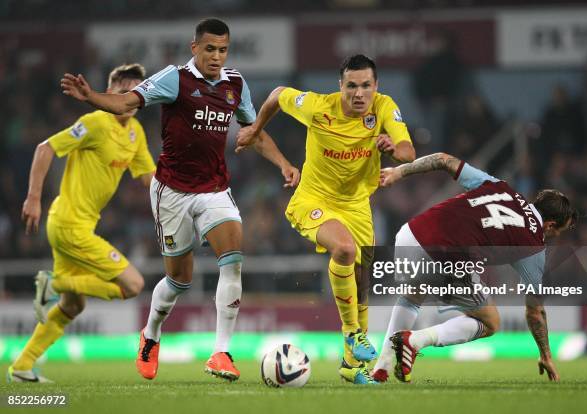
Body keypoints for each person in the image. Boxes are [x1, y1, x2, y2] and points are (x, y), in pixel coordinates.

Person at [60, 18, 299, 382]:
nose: (217, 57)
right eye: (210, 49)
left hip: (214, 190)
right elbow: (127, 101)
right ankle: (151, 334)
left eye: (222, 50)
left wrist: (283, 163)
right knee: (179, 280)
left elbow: (254, 133)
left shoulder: (235, 84)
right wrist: (91, 97)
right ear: (195, 48)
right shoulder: (175, 79)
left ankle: (221, 352)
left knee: (233, 259)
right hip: (172, 192)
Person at [237, 54, 416, 384]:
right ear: (340, 86)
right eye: (351, 86)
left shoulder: (384, 108)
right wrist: (255, 128)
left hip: (357, 205)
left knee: (362, 284)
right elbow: (278, 94)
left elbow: (408, 152)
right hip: (314, 199)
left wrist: (391, 147)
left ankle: (351, 366)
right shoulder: (318, 107)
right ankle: (351, 335)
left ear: (376, 87)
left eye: (366, 86)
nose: (358, 93)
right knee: (344, 250)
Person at [371, 152, 577, 383]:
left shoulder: (500, 187)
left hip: (410, 234)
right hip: (447, 255)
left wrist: (399, 171)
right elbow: (534, 311)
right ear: (549, 225)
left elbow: (442, 159)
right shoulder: (534, 245)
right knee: (490, 322)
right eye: (558, 231)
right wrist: (545, 355)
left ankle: (382, 367)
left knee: (412, 296)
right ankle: (415, 341)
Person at [8, 64, 155, 383]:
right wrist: (33, 197)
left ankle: (22, 365)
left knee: (72, 307)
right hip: (68, 224)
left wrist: (186, 187)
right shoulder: (95, 123)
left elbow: (148, 179)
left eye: (137, 94)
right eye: (124, 92)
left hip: (78, 227)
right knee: (133, 284)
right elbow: (45, 148)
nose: (130, 99)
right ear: (109, 93)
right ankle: (54, 283)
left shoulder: (136, 132)